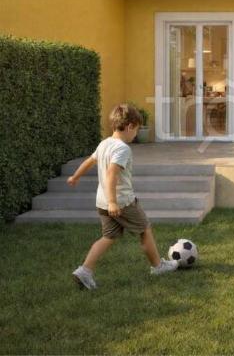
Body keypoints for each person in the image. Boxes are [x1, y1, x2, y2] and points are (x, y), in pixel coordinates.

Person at [68, 103, 178, 290]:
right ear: (129, 127)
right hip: (122, 202)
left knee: (108, 236)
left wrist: (75, 176)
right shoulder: (122, 148)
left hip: (102, 202)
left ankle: (85, 270)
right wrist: (113, 202)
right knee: (145, 229)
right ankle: (158, 266)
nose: (135, 135)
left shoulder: (104, 144)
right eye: (136, 130)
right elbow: (112, 173)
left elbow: (89, 161)